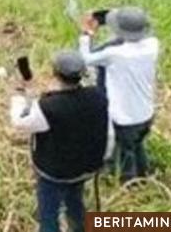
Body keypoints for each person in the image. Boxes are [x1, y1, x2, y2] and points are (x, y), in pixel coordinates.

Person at [10, 51, 113, 232]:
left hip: (55, 173)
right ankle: (79, 227)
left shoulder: (49, 107)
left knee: (48, 213)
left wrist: (21, 94)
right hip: (85, 167)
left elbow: (21, 122)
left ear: (55, 73)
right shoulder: (98, 96)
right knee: (75, 200)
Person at [79, 7, 158, 183]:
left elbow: (85, 59)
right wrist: (104, 16)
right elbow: (134, 29)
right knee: (137, 144)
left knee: (124, 152)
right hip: (146, 113)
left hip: (125, 118)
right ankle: (145, 171)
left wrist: (87, 33)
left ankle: (128, 182)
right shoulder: (153, 45)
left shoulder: (115, 54)